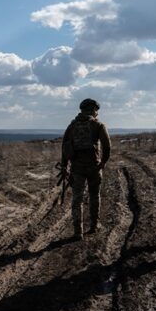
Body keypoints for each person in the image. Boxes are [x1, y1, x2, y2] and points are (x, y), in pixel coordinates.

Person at [61, 98, 111, 240]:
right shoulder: (98, 125)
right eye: (97, 111)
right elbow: (107, 147)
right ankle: (94, 226)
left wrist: (64, 166)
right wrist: (103, 163)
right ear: (94, 110)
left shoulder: (72, 126)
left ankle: (78, 232)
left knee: (77, 199)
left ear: (82, 110)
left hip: (77, 168)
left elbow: (64, 147)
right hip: (94, 167)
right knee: (94, 195)